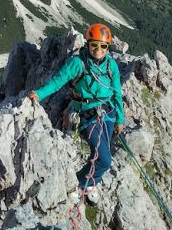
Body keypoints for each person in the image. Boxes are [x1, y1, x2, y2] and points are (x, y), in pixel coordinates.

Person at [27, 23, 124, 201]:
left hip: (108, 114)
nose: (99, 49)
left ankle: (91, 183)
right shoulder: (77, 63)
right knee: (104, 159)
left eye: (103, 46)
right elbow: (58, 81)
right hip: (88, 116)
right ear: (87, 44)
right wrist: (40, 94)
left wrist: (120, 118)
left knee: (100, 154)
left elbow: (117, 92)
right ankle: (79, 184)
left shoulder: (111, 65)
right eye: (94, 45)